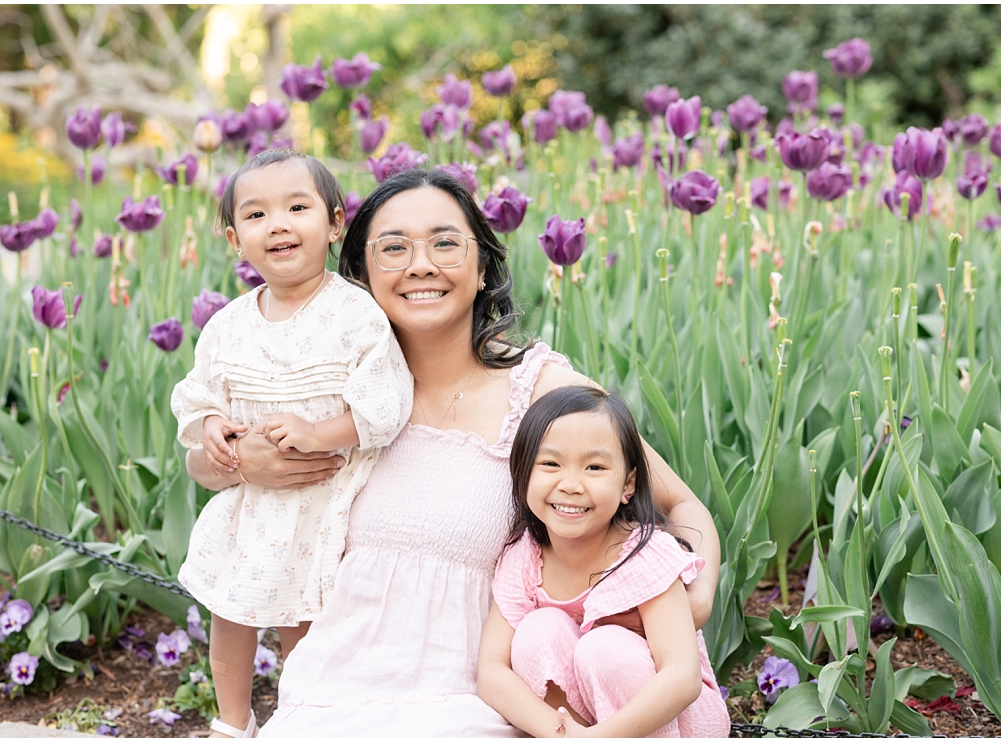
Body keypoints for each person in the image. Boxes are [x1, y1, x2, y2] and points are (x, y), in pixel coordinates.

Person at [183, 168, 719, 736]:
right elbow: (206, 460)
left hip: (484, 696)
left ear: (482, 264)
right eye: (393, 248)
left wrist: (693, 595)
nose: (421, 265)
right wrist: (241, 463)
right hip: (331, 689)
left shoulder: (541, 391)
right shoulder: (327, 396)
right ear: (360, 271)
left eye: (445, 243)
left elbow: (680, 505)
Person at [170, 149, 414, 738]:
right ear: (235, 239)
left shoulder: (355, 314)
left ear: (334, 224)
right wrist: (210, 428)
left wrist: (318, 433)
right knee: (229, 616)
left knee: (302, 624)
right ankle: (232, 721)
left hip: (321, 503)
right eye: (256, 215)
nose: (277, 224)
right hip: (249, 508)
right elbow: (200, 393)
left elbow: (385, 403)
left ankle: (298, 719)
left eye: (297, 207)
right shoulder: (228, 323)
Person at [477, 386, 729, 737]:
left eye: (594, 467)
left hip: (677, 723)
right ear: (523, 474)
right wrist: (560, 733)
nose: (571, 484)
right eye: (551, 463)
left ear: (628, 484)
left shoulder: (642, 554)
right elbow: (491, 670)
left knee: (604, 648)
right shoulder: (526, 557)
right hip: (584, 727)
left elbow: (681, 677)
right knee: (537, 631)